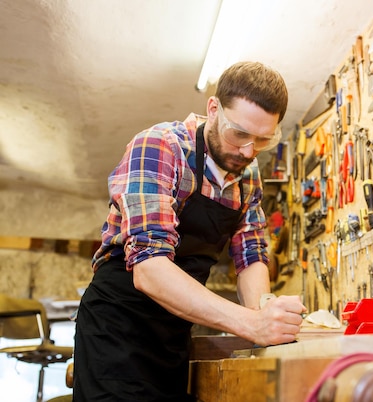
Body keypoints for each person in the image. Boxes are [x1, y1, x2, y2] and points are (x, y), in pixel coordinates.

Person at [73, 61, 306, 401]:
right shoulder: (159, 147)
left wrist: (265, 318)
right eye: (239, 133)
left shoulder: (248, 173)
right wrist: (250, 323)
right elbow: (149, 270)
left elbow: (251, 254)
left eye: (263, 139)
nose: (248, 150)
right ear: (213, 109)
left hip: (174, 332)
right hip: (117, 328)